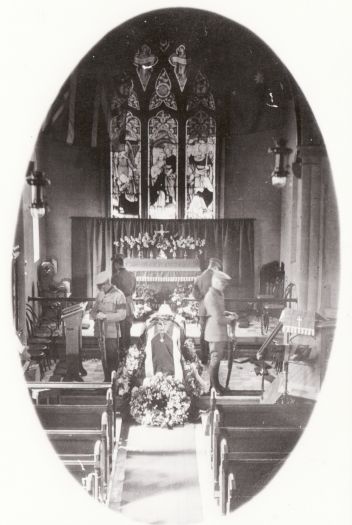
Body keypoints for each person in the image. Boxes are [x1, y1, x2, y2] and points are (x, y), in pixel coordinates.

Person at [203, 270, 237, 395]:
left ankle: (216, 385)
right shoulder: (210, 296)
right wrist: (231, 319)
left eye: (225, 284)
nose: (224, 286)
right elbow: (218, 318)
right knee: (215, 360)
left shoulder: (219, 293)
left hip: (220, 332)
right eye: (222, 283)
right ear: (215, 281)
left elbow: (220, 311)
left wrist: (228, 313)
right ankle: (214, 387)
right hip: (214, 332)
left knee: (217, 360)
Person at [90, 270, 127, 381]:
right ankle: (106, 380)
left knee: (112, 358)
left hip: (112, 333)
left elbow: (122, 315)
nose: (101, 290)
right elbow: (92, 312)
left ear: (107, 283)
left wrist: (105, 316)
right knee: (104, 358)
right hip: (101, 332)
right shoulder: (100, 295)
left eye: (102, 287)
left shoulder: (119, 295)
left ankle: (113, 382)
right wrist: (96, 315)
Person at [192, 257, 223, 364]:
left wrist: (202, 298)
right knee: (214, 333)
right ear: (214, 267)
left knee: (203, 333)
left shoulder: (199, 277)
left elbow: (195, 295)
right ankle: (214, 357)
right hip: (212, 310)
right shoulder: (216, 277)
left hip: (202, 310)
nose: (218, 271)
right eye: (218, 268)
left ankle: (204, 358)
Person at [111, 255, 136, 353]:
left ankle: (121, 350)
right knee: (128, 327)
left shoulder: (115, 276)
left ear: (117, 264)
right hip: (129, 303)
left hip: (120, 303)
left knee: (120, 328)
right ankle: (128, 350)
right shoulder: (132, 275)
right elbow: (133, 290)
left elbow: (113, 292)